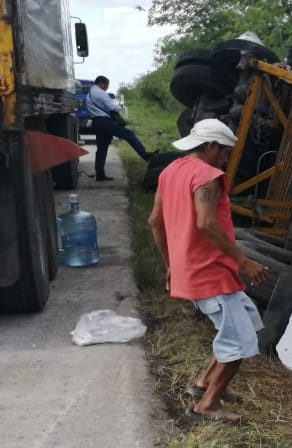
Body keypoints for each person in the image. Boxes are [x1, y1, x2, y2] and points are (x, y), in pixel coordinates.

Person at [148, 119, 268, 421]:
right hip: (210, 272)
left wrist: (171, 266)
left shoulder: (170, 171)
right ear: (212, 146)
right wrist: (245, 262)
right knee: (239, 344)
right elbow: (205, 223)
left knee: (247, 321)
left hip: (197, 270)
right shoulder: (207, 176)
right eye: (225, 152)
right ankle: (208, 406)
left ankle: (204, 384)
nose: (226, 159)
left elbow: (154, 222)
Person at [86, 75, 152, 181]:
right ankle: (145, 155)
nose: (107, 88)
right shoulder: (100, 93)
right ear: (102, 83)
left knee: (101, 149)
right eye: (107, 86)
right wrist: (120, 107)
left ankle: (100, 174)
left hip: (97, 122)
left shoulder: (90, 93)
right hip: (105, 121)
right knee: (129, 134)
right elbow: (112, 107)